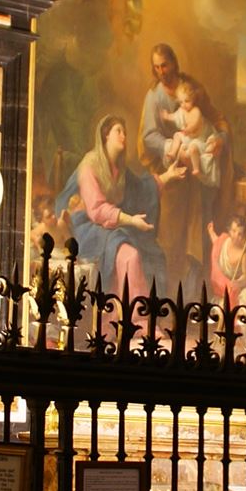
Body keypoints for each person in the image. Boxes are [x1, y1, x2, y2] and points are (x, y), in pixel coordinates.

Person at [55, 114, 183, 299]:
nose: (124, 136)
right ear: (106, 135)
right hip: (84, 227)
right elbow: (97, 210)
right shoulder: (89, 165)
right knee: (130, 255)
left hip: (111, 226)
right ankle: (124, 316)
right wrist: (131, 220)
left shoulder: (120, 169)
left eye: (125, 132)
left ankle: (141, 315)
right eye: (118, 131)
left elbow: (142, 190)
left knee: (152, 253)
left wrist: (168, 176)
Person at [138, 42, 181, 173]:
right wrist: (168, 146)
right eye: (157, 67)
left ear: (173, 63)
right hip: (168, 159)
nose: (161, 72)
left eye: (164, 66)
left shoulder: (188, 87)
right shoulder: (154, 96)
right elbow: (149, 136)